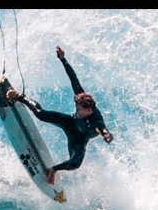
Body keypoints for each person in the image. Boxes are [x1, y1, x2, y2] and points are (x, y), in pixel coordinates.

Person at [6, 45, 113, 185]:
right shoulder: (82, 98)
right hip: (70, 123)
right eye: (76, 107)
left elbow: (103, 130)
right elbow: (73, 79)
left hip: (79, 140)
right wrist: (63, 59)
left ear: (89, 111)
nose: (77, 110)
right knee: (40, 114)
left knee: (75, 163)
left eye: (79, 109)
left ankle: (53, 170)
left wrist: (107, 136)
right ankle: (20, 97)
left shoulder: (96, 122)